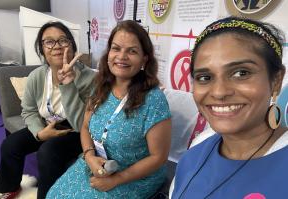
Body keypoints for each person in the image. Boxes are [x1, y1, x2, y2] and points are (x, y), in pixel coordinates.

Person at [46, 20, 172, 199]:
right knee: (54, 195)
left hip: (134, 177)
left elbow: (158, 157)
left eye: (132, 51)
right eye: (116, 48)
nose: (122, 56)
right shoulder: (102, 86)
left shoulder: (154, 100)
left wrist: (117, 179)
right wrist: (89, 157)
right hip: (96, 165)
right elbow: (85, 127)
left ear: (144, 59)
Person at [171, 16, 287, 198]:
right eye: (205, 77)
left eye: (241, 73)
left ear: (276, 80)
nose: (219, 92)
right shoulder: (197, 148)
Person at [0, 21, 96, 199]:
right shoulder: (37, 76)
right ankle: (10, 186)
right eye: (49, 42)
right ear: (42, 50)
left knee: (48, 152)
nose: (56, 47)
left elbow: (83, 124)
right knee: (10, 145)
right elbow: (28, 110)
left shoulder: (90, 79)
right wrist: (40, 133)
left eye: (63, 40)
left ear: (72, 45)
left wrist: (68, 84)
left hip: (77, 132)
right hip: (46, 124)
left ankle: (49, 196)